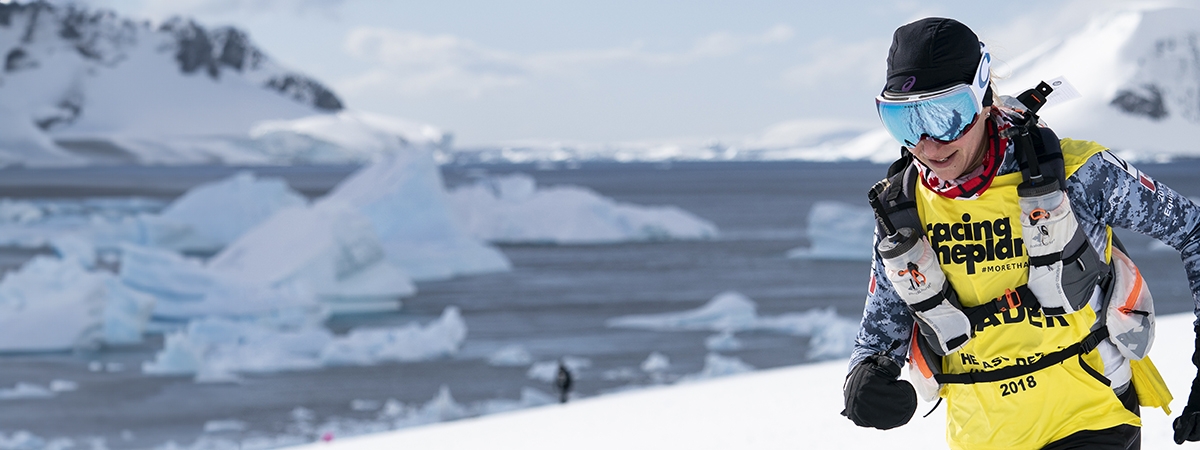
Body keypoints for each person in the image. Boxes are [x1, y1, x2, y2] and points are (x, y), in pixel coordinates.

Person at [841, 17, 1200, 449]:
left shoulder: (1076, 173)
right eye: (903, 120)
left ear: (982, 96)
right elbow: (881, 331)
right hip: (980, 436)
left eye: (944, 115)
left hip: (1090, 418)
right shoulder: (903, 208)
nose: (927, 145)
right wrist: (866, 380)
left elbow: (1193, 230)